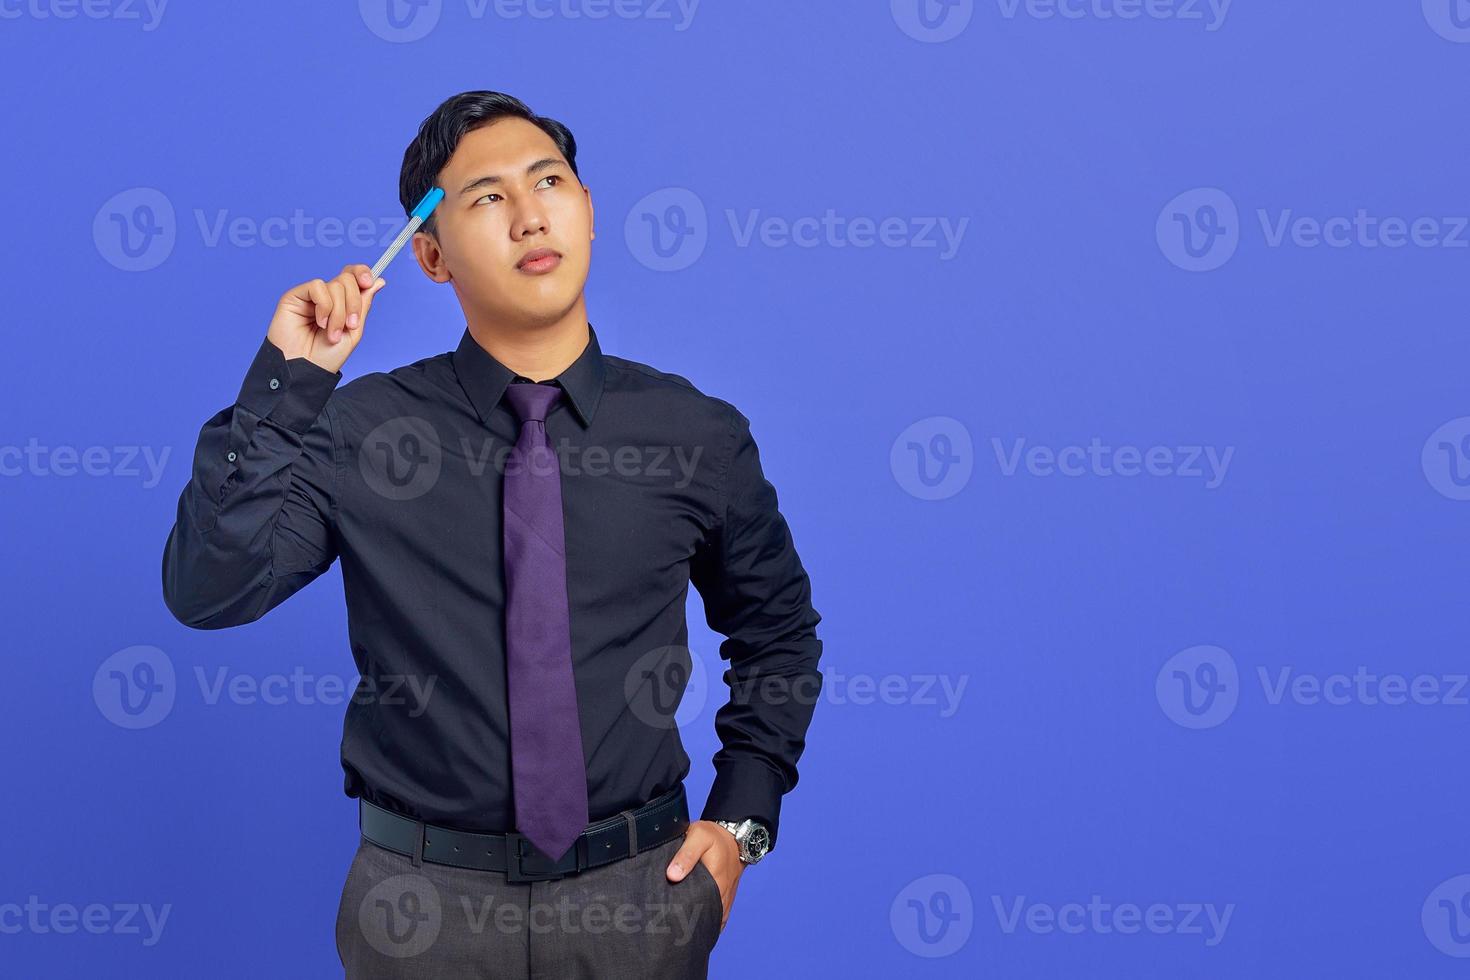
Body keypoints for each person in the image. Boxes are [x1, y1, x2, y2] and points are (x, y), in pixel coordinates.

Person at [160, 90, 823, 978]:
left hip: (639, 900)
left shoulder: (692, 432)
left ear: (587, 211)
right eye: (485, 198)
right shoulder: (359, 431)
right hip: (419, 910)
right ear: (429, 255)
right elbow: (211, 591)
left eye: (549, 181)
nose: (528, 214)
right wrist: (286, 388)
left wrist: (742, 822)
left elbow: (777, 633)